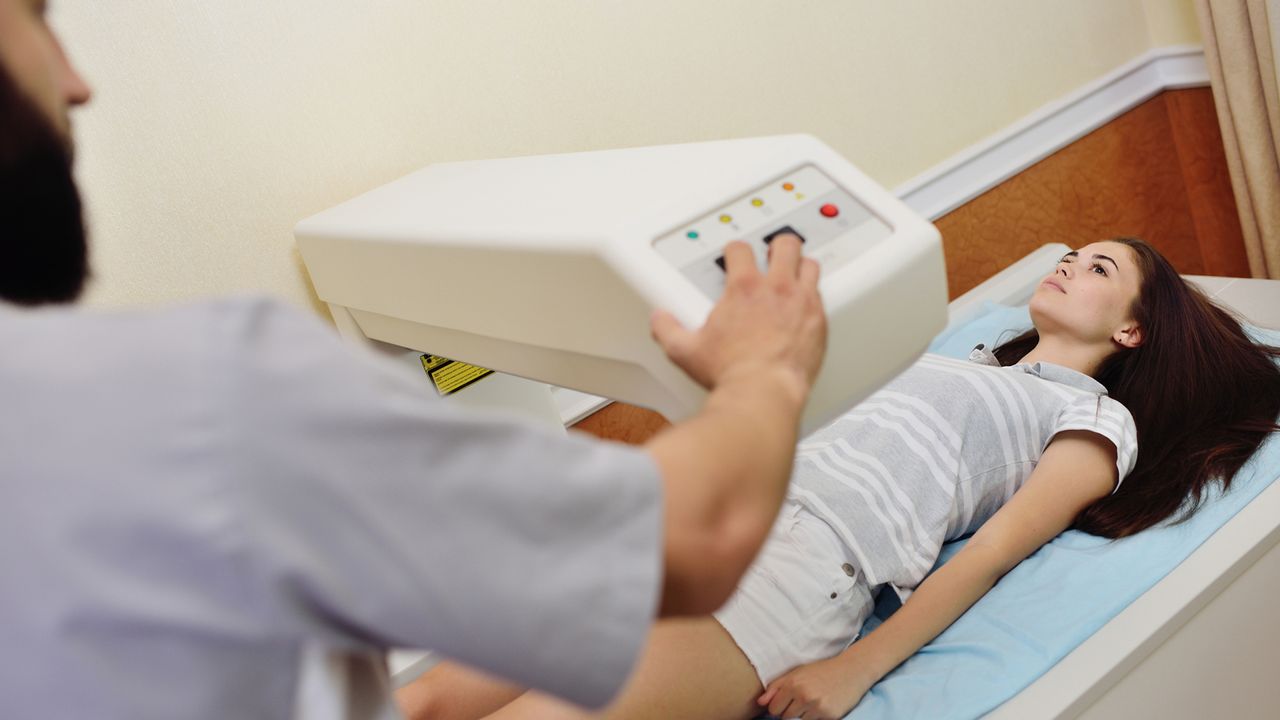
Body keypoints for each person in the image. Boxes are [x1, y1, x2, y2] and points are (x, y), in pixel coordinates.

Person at [0, 2, 829, 718]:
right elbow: (696, 535)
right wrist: (765, 369)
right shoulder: (197, 394)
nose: (78, 82)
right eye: (38, 18)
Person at [401, 236, 1280, 720]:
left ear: (1132, 332)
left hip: (796, 568)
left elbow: (992, 553)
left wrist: (857, 668)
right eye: (1075, 251)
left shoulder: (1093, 418)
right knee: (429, 697)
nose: (1069, 263)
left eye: (1101, 269)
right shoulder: (967, 359)